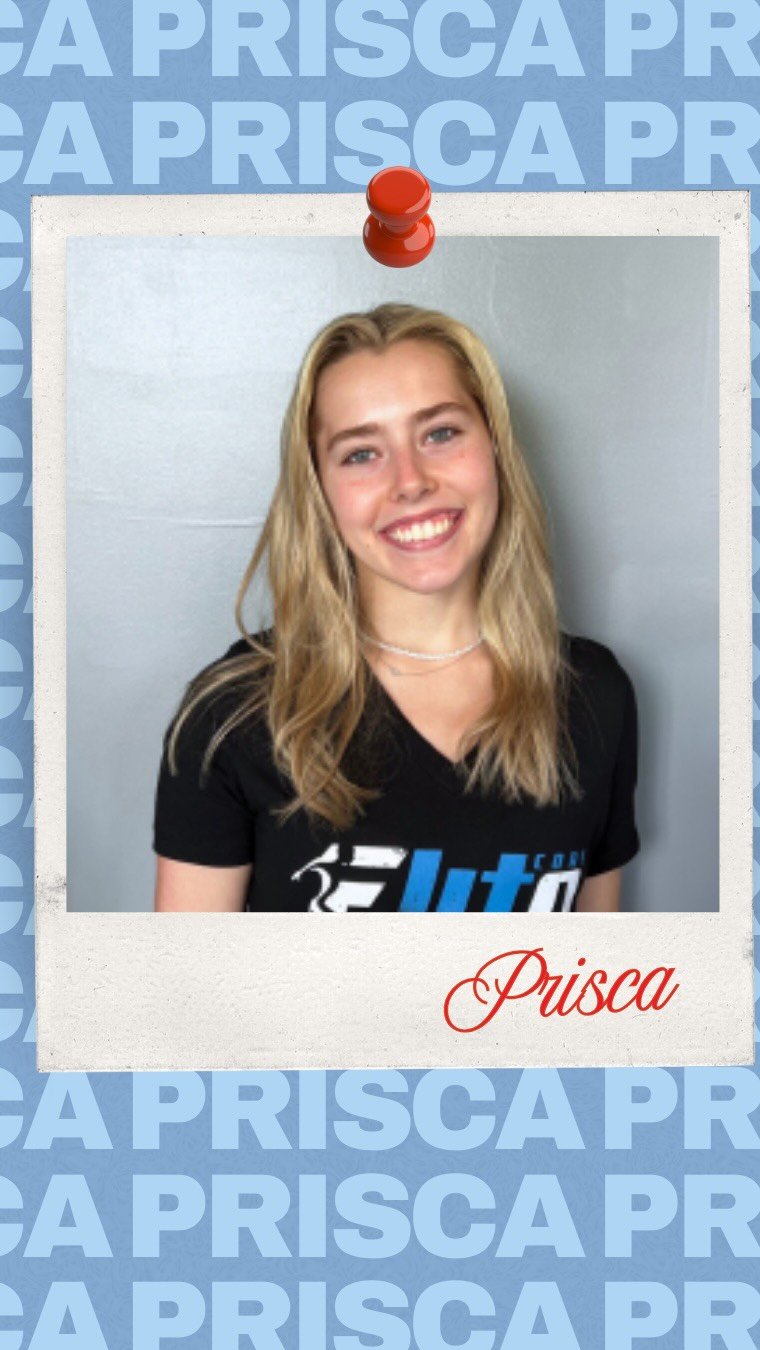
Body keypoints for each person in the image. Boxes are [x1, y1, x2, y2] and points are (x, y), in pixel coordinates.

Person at [153, 302, 639, 914]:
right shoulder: (233, 717)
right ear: (319, 490)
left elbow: (591, 965)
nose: (410, 481)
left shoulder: (595, 695)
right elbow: (188, 977)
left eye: (440, 433)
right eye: (361, 453)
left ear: (494, 447)